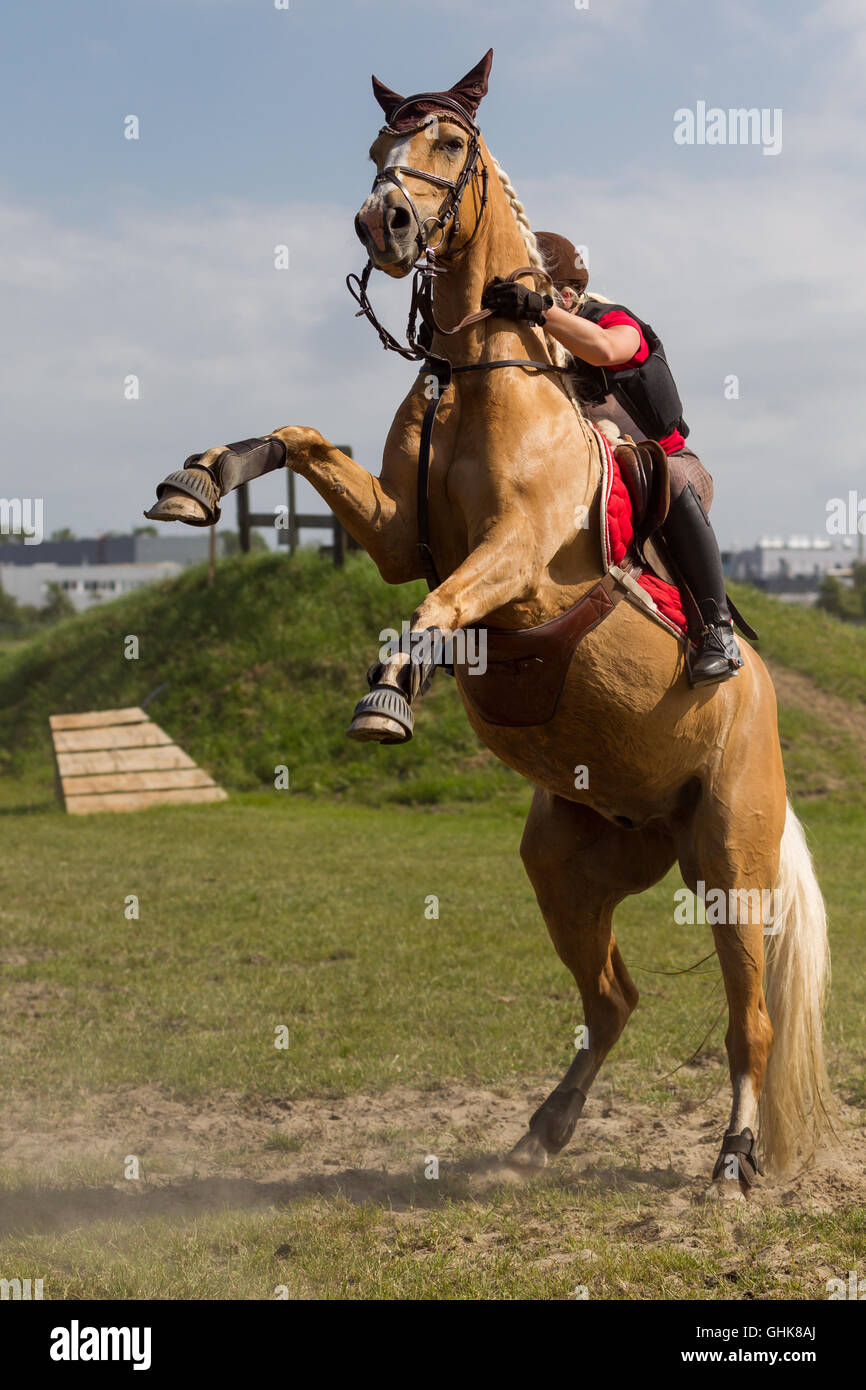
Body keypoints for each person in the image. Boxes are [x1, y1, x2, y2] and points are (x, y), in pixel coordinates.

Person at [480, 232, 742, 686]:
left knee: (668, 474)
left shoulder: (617, 322)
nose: (530, 307)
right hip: (600, 469)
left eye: (537, 293)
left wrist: (540, 311)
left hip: (669, 467)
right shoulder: (543, 346)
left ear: (564, 294)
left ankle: (718, 630)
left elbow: (603, 350)